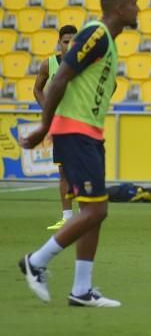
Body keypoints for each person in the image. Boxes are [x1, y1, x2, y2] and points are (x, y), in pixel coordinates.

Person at [19, 0, 139, 307]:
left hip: (90, 134)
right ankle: (36, 262)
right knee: (96, 209)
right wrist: (45, 124)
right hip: (75, 132)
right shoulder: (96, 34)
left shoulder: (108, 43)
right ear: (118, 8)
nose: (138, 8)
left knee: (93, 211)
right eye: (133, 3)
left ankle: (81, 290)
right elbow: (60, 78)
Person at [33, 24, 78, 231]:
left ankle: (87, 214)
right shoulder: (49, 64)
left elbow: (109, 84)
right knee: (64, 172)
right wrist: (48, 112)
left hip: (83, 122)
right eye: (65, 41)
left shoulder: (84, 63)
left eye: (73, 41)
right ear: (59, 42)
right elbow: (37, 89)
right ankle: (68, 217)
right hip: (61, 124)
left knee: (84, 170)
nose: (69, 45)